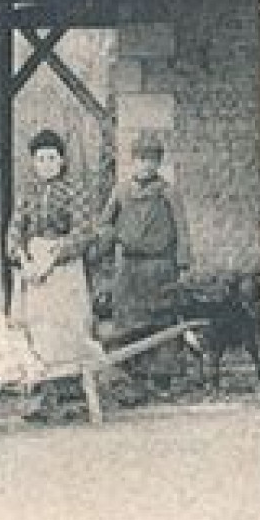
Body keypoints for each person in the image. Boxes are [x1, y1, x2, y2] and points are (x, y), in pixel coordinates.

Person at [97, 131, 192, 389]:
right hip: (128, 269)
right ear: (133, 161)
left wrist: (183, 266)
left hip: (160, 267)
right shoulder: (120, 192)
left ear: (158, 163)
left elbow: (182, 230)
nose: (146, 165)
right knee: (128, 321)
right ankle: (130, 377)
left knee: (161, 321)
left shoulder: (169, 194)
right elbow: (104, 224)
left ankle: (162, 378)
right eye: (141, 159)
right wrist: (109, 240)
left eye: (152, 160)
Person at [6, 129, 102, 370]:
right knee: (34, 326)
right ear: (33, 162)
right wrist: (23, 260)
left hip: (64, 268)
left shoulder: (75, 190)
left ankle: (73, 379)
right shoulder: (27, 192)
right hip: (32, 267)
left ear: (61, 160)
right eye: (41, 159)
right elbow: (15, 230)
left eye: (51, 158)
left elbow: (83, 233)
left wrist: (54, 258)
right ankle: (41, 381)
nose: (46, 164)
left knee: (65, 327)